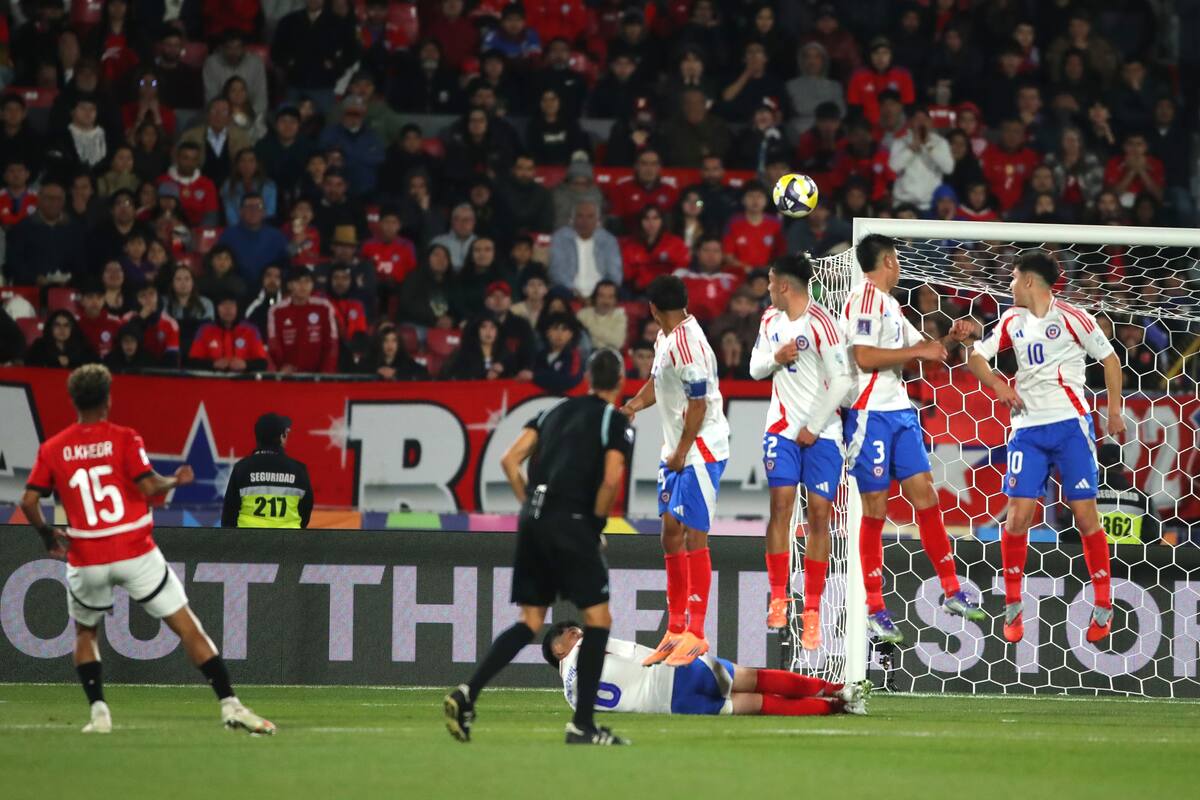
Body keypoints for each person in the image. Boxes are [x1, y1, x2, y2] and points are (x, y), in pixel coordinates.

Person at [18, 365, 275, 735]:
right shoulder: (123, 438)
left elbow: (28, 501)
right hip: (134, 550)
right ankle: (230, 705)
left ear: (73, 401)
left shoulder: (53, 447)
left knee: (86, 635)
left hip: (87, 554)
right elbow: (151, 485)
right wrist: (177, 480)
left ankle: (100, 715)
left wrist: (46, 534)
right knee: (188, 628)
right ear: (108, 399)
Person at [444, 349, 632, 746]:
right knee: (597, 620)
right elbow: (612, 478)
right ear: (619, 382)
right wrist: (595, 523)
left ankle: (468, 693)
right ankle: (582, 725)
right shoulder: (612, 420)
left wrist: (530, 504)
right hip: (572, 522)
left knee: (531, 621)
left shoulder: (553, 412)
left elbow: (509, 460)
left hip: (533, 520)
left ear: (585, 377)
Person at [958, 250, 1124, 644]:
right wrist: (999, 385)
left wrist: (1114, 411)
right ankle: (1013, 607)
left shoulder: (1072, 317)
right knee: (1017, 518)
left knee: (1085, 516)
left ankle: (1103, 603)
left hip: (1070, 427)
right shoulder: (1011, 320)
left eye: (1013, 278)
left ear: (1030, 281)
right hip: (1028, 430)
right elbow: (976, 359)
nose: (1010, 285)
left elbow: (1111, 359)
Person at [841, 235, 984, 644]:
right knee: (876, 508)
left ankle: (952, 590)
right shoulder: (864, 299)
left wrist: (955, 337)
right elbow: (864, 357)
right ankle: (875, 609)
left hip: (900, 414)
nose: (901, 266)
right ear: (887, 260)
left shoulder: (889, 305)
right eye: (898, 259)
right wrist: (916, 354)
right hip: (870, 414)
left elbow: (927, 350)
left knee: (926, 496)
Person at [620, 275, 730, 667]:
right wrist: (632, 405)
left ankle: (697, 634)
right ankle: (676, 627)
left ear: (652, 309)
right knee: (669, 533)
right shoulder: (666, 339)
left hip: (701, 450)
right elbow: (656, 384)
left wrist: (682, 451)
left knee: (693, 533)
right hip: (677, 450)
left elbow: (698, 404)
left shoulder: (689, 345)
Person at [749, 254, 854, 643]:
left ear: (785, 286)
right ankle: (779, 597)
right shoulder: (769, 321)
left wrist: (813, 425)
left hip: (823, 433)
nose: (767, 289)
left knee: (821, 516)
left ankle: (812, 607)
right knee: (781, 505)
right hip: (780, 429)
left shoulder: (823, 323)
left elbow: (843, 380)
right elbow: (754, 369)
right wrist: (774, 358)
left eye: (770, 282)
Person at [543, 620, 868, 717]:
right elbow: (635, 652)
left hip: (674, 706)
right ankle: (833, 688)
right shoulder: (586, 645)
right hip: (676, 673)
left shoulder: (572, 699)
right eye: (574, 632)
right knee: (754, 679)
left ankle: (839, 707)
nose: (579, 632)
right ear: (565, 642)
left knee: (758, 706)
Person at [221, 412, 313, 529]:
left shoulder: (242, 468)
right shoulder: (299, 470)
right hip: (288, 543)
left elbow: (228, 516)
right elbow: (305, 513)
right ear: (282, 436)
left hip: (248, 543)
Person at [267, 268, 340, 374]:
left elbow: (331, 343)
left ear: (312, 285)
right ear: (289, 285)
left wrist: (326, 372)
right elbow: (274, 344)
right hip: (288, 375)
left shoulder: (324, 307)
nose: (303, 285)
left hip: (321, 377)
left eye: (307, 281)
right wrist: (282, 367)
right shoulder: (276, 311)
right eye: (298, 281)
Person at [548, 201, 623, 297]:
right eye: (580, 216)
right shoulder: (560, 237)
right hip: (569, 290)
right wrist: (574, 291)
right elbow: (556, 272)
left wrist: (601, 293)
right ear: (572, 219)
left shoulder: (608, 240)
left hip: (602, 292)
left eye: (590, 217)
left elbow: (615, 274)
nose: (585, 221)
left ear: (597, 221)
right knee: (557, 292)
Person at [187, 292, 269, 373]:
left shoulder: (251, 330)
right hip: (212, 381)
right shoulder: (205, 330)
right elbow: (193, 362)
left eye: (232, 304)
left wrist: (246, 364)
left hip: (243, 382)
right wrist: (213, 364)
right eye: (223, 304)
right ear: (216, 308)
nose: (228, 308)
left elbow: (262, 363)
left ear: (238, 307)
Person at [26, 311, 98, 369]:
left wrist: (70, 361)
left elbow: (95, 367)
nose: (62, 329)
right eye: (57, 325)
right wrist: (55, 361)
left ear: (72, 329)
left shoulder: (82, 345)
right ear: (50, 328)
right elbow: (31, 366)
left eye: (66, 325)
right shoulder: (40, 345)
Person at [576, 280, 628, 352]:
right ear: (595, 298)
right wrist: (606, 338)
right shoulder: (583, 314)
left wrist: (589, 327)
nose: (606, 301)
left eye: (610, 297)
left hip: (610, 356)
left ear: (615, 300)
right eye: (601, 296)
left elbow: (618, 342)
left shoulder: (619, 317)